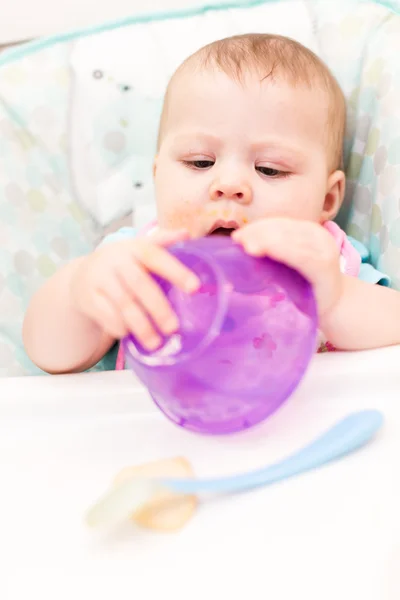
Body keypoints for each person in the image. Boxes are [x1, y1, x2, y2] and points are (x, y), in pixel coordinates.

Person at [23, 33, 398, 374]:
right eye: (200, 162)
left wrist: (333, 298)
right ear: (158, 177)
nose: (229, 185)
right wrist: (79, 291)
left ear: (328, 199)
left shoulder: (324, 263)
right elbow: (49, 354)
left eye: (269, 169)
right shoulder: (137, 261)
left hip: (303, 438)